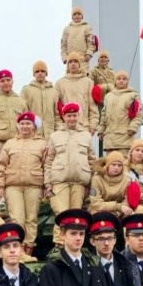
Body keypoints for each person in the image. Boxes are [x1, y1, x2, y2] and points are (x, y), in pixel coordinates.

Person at [0, 112, 45, 263]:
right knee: (17, 218)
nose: (25, 126)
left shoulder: (42, 144)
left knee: (31, 218)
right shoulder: (10, 143)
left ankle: (28, 249)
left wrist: (46, 185)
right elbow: (1, 165)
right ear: (18, 126)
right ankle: (18, 248)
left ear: (33, 126)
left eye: (28, 123)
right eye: (22, 123)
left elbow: (46, 165)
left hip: (34, 185)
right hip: (13, 185)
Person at [44, 103, 97, 245]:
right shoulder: (55, 136)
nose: (72, 118)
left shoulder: (86, 136)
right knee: (61, 213)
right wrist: (47, 183)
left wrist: (90, 182)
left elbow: (92, 160)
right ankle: (59, 244)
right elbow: (48, 161)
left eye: (74, 115)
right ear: (64, 117)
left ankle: (72, 245)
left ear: (78, 116)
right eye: (69, 116)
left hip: (79, 182)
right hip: (59, 181)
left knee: (75, 215)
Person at [98, 70, 142, 157]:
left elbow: (138, 114)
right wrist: (101, 130)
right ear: (115, 81)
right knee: (111, 165)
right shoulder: (108, 96)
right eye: (118, 78)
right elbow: (103, 115)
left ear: (127, 81)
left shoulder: (133, 95)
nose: (121, 80)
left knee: (123, 165)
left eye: (124, 79)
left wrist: (133, 128)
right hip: (109, 139)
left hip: (124, 138)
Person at [56, 53, 100, 134]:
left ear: (80, 64)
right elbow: (56, 109)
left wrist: (93, 126)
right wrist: (60, 126)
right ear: (68, 65)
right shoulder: (59, 83)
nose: (73, 64)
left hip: (84, 127)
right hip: (65, 128)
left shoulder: (88, 82)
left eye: (76, 61)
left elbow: (93, 107)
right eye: (70, 62)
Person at [20, 60, 63, 138]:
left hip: (50, 134)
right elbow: (23, 112)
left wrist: (60, 130)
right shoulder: (26, 90)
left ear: (46, 73)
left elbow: (57, 115)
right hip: (33, 134)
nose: (40, 73)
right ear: (34, 74)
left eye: (43, 71)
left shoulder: (54, 91)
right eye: (37, 71)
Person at [87, 151, 132, 218]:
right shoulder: (97, 179)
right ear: (107, 165)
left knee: (131, 214)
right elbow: (96, 203)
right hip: (99, 210)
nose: (116, 168)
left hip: (118, 212)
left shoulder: (127, 180)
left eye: (119, 165)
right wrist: (117, 207)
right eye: (113, 164)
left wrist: (116, 213)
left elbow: (127, 201)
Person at [60, 6, 97, 74]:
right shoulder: (67, 29)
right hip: (71, 60)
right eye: (75, 14)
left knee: (84, 78)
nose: (77, 16)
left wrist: (89, 54)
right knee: (70, 79)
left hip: (83, 59)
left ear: (82, 16)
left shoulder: (87, 27)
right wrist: (65, 58)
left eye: (79, 14)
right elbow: (63, 46)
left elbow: (91, 43)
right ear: (72, 16)